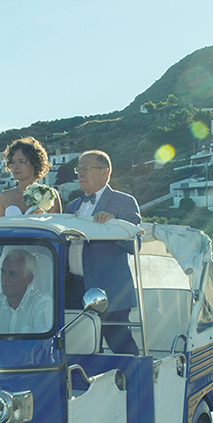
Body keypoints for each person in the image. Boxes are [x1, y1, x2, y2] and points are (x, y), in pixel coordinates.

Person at [65, 150, 141, 355]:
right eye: (78, 169)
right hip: (75, 290)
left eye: (85, 168)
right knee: (82, 346)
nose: (80, 173)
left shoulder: (123, 202)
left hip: (110, 289)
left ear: (104, 172)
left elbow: (136, 245)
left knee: (120, 345)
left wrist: (112, 226)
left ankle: (139, 383)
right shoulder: (72, 206)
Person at [0, 136, 62, 217]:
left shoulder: (50, 195)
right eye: (12, 162)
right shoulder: (4, 197)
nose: (15, 167)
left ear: (34, 163)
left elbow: (55, 226)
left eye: (21, 161)